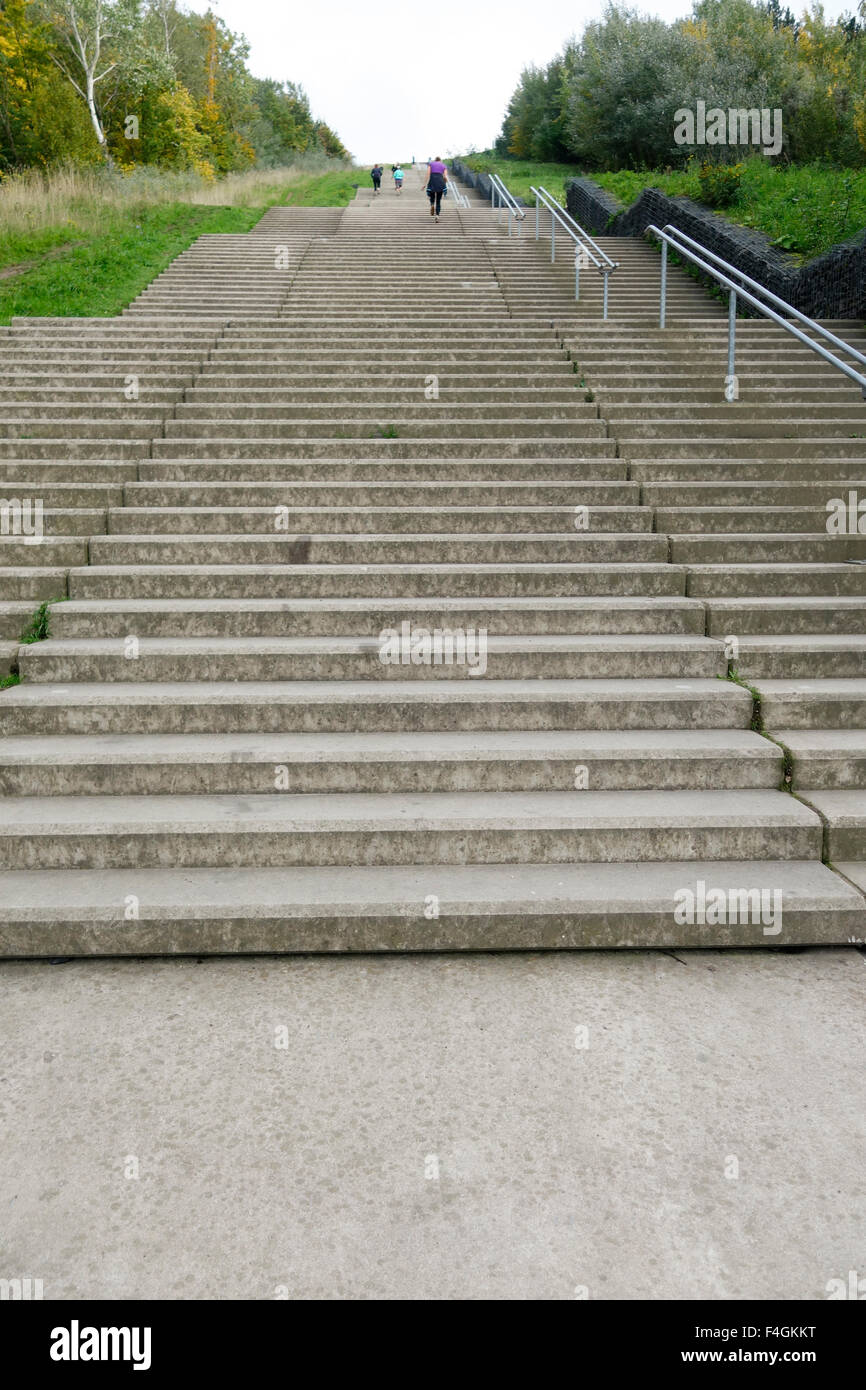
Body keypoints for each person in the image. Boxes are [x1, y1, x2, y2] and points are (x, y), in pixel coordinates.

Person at [426, 155, 448, 221]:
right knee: (438, 201)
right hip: (440, 182)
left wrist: (425, 184)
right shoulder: (443, 165)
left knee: (432, 196)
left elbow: (428, 174)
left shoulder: (431, 164)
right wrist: (445, 183)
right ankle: (437, 215)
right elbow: (445, 177)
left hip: (432, 182)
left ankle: (432, 204)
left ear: (435, 160)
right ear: (440, 160)